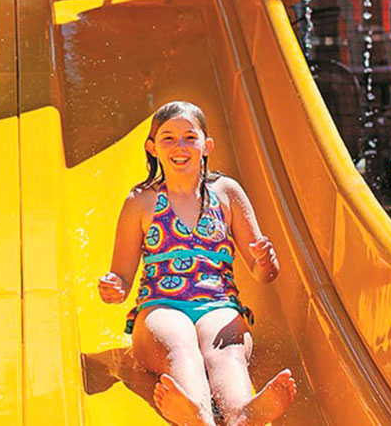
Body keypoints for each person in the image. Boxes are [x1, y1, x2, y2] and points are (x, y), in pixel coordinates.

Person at [99, 101, 297, 426]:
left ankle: (241, 413)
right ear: (152, 148)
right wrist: (113, 287)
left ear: (207, 145)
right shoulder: (141, 202)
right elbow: (121, 276)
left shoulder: (227, 194)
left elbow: (264, 274)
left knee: (226, 354)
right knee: (179, 343)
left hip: (218, 305)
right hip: (161, 307)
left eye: (190, 137)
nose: (180, 146)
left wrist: (266, 260)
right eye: (168, 138)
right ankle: (199, 415)